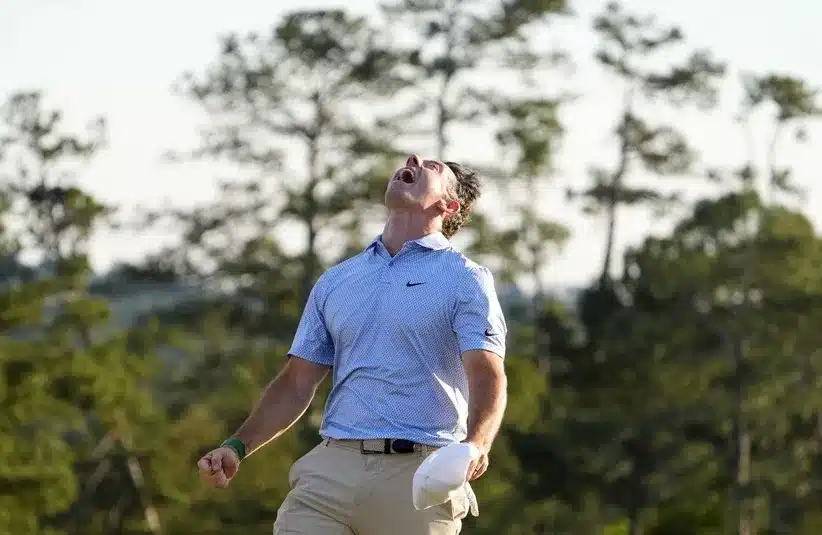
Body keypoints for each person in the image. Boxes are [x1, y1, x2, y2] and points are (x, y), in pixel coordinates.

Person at [197, 154, 508, 535]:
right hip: (330, 472)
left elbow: (486, 374)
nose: (413, 160)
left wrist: (476, 445)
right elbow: (296, 383)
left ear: (449, 205)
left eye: (433, 166)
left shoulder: (466, 279)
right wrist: (236, 445)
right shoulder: (337, 281)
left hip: (419, 480)